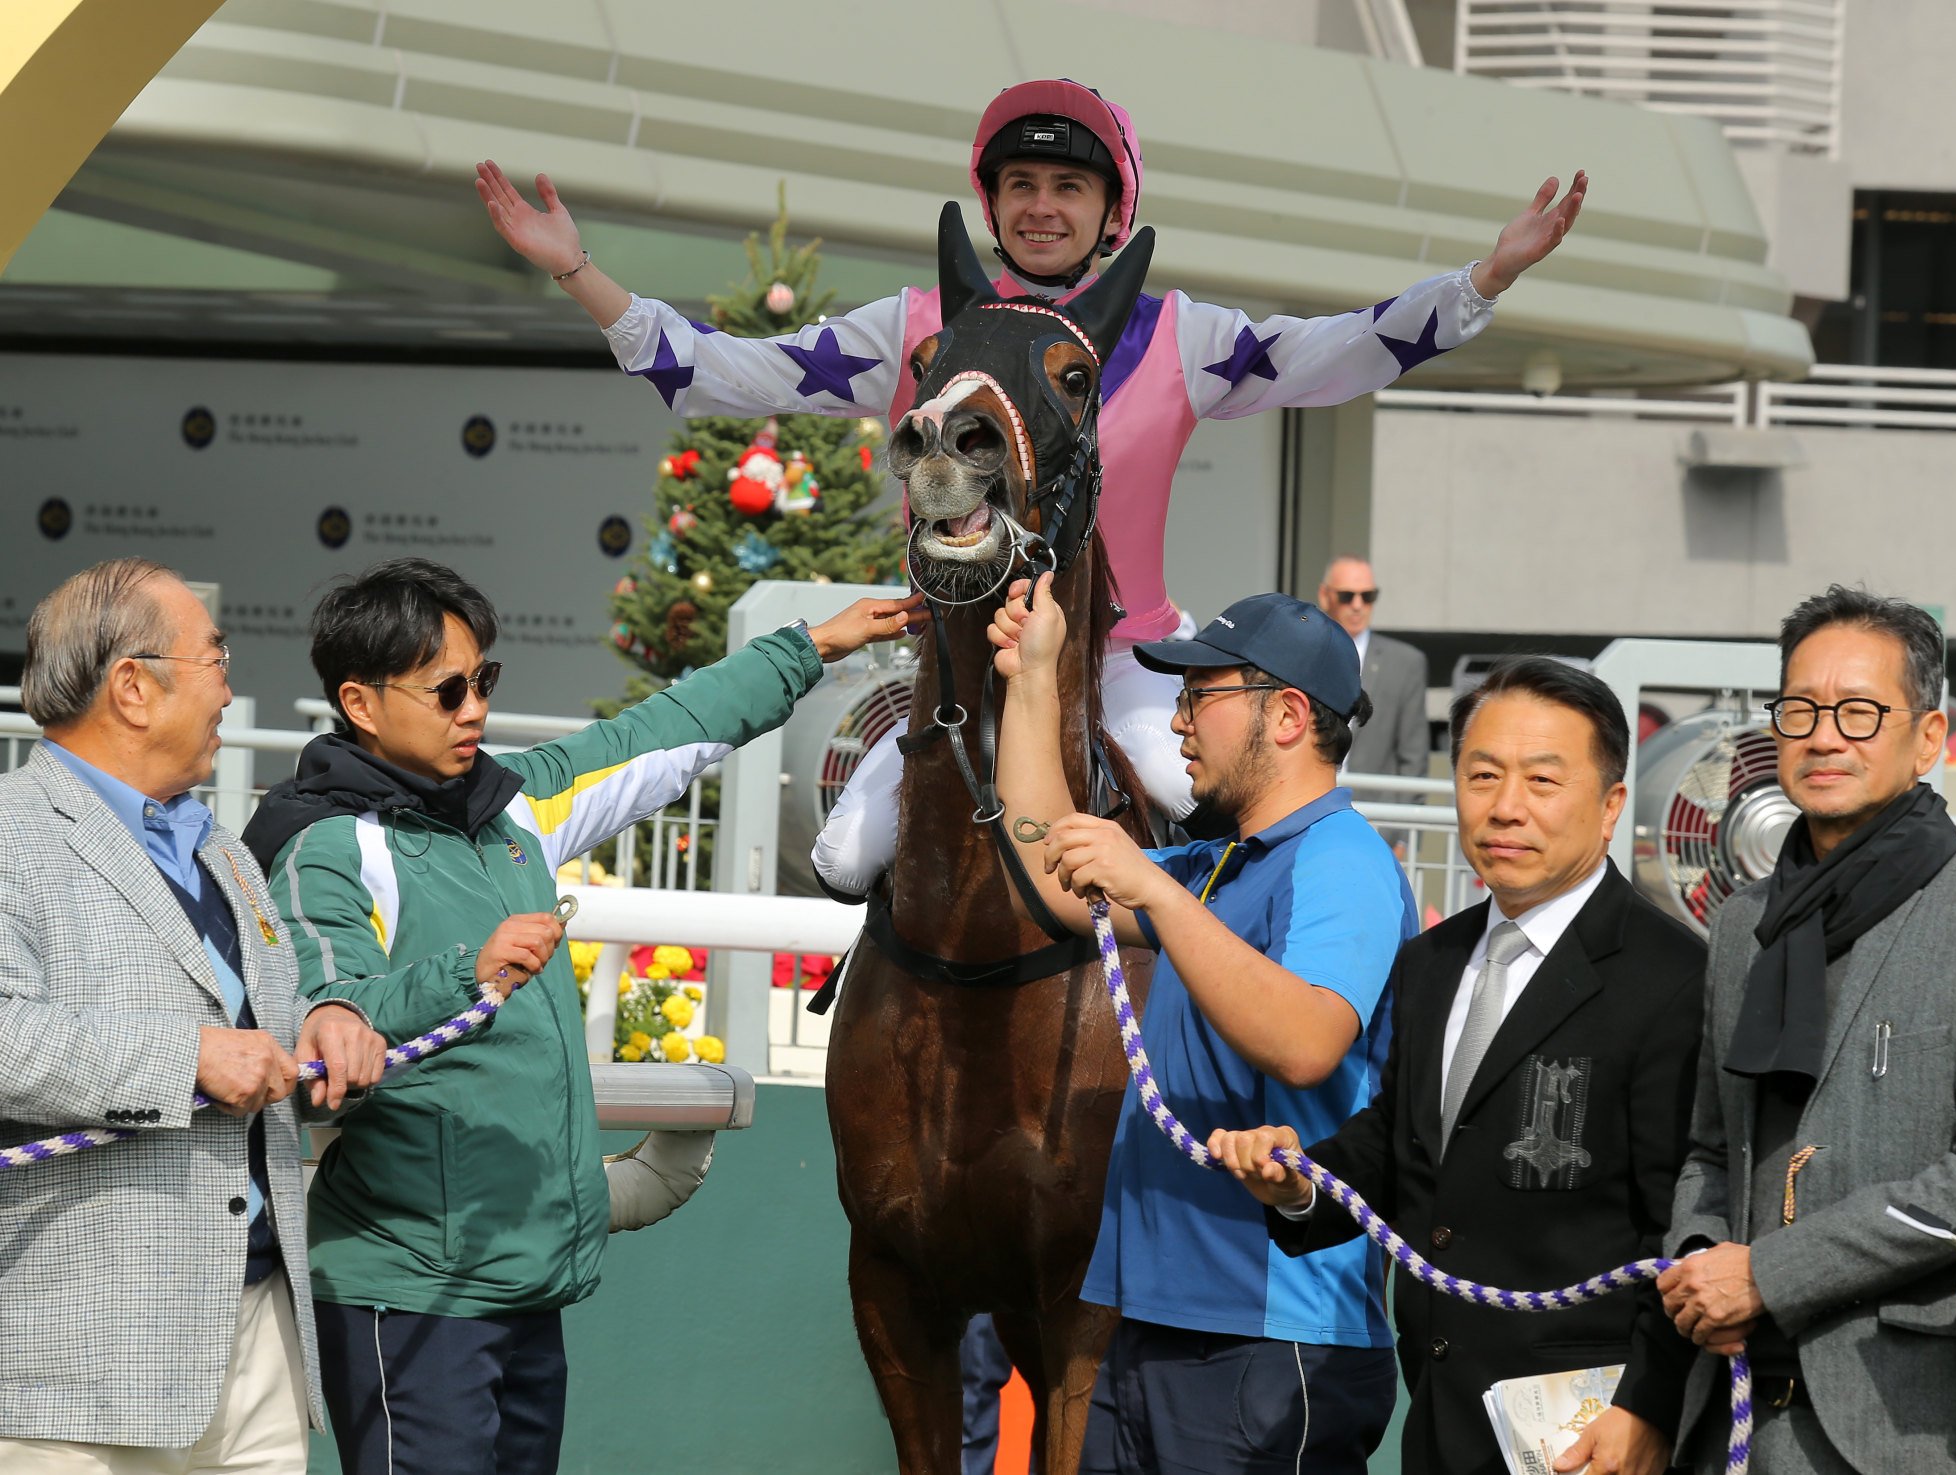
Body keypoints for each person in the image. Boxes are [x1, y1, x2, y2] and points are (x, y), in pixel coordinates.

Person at [477, 77, 1587, 900]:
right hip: (963, 659)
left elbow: (1344, 351)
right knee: (847, 852)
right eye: (1020, 185)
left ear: (1114, 207)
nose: (1041, 206)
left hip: (1129, 661)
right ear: (988, 198)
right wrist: (579, 271)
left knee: (1204, 810)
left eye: (1068, 185)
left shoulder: (1178, 332)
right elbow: (724, 371)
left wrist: (1483, 279)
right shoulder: (917, 327)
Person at [241, 557, 920, 1475]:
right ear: (359, 703)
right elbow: (330, 1013)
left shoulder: (510, 803)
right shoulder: (323, 845)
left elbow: (665, 730)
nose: (473, 708)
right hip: (410, 1289)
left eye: (485, 680)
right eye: (447, 689)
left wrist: (819, 645)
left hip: (526, 1282)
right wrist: (461, 973)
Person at [1210, 657, 1705, 1475]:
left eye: (1543, 780)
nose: (1506, 806)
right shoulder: (1433, 959)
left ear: (1611, 804)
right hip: (1440, 1413)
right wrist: (1303, 1184)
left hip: (1587, 1429)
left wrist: (1649, 1404)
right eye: (1482, 775)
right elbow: (1403, 1143)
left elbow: (1685, 1219)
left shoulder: (1671, 979)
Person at [987, 576, 1411, 1474]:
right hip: (1158, 1323)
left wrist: (1154, 891)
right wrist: (1031, 681)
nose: (1178, 720)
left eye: (1199, 695)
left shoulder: (1342, 856)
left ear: (1288, 714)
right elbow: (1046, 867)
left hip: (1274, 1338)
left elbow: (1307, 1040)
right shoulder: (1216, 865)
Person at [0, 559, 385, 1471]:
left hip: (258, 1336)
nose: (229, 686)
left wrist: (327, 1022)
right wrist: (187, 1058)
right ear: (133, 685)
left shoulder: (221, 845)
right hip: (79, 1364)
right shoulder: (12, 829)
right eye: (215, 657)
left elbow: (264, 1034)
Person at [1659, 585, 1956, 1473]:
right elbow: (1709, 1146)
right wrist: (1699, 1262)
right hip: (1730, 1403)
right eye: (1800, 708)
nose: (1822, 734)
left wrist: (1772, 1273)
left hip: (1904, 1416)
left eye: (1859, 710)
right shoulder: (1744, 921)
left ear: (1928, 737)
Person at [1319, 554, 1429, 784]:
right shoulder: (1305, 653)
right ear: (1325, 595)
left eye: (1368, 596)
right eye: (1347, 596)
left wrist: (1403, 817)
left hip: (1378, 810)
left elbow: (1414, 756)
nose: (1358, 606)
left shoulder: (1405, 663)